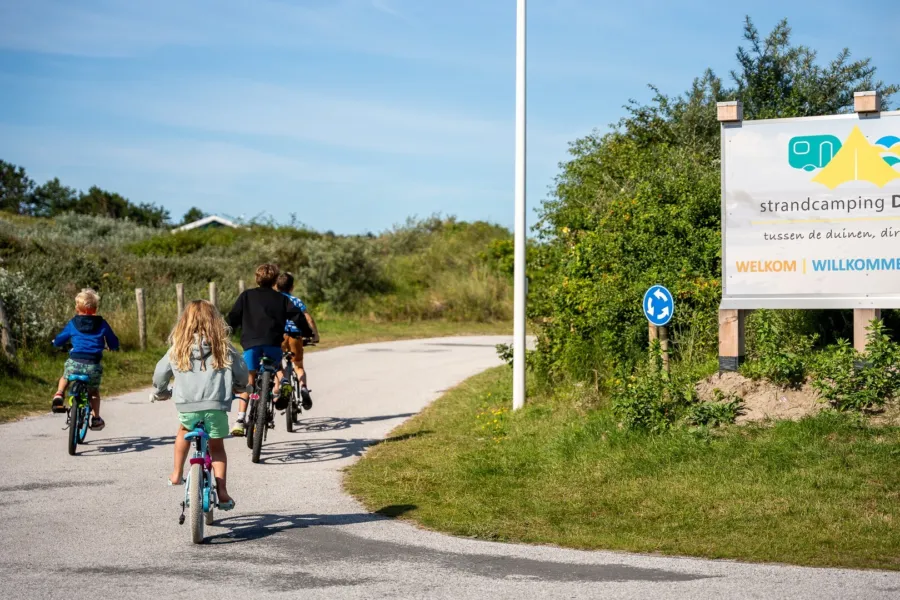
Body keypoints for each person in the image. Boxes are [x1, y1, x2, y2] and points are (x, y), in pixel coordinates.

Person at [151, 299, 248, 510]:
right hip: (216, 407)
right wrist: (240, 387)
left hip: (187, 407)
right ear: (214, 321)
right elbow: (241, 370)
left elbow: (160, 373)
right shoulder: (223, 346)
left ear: (185, 321)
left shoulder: (178, 348)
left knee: (183, 430)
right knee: (217, 448)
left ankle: (176, 474)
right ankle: (222, 492)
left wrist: (161, 392)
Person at [226, 263, 312, 436]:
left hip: (251, 344)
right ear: (274, 280)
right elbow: (297, 316)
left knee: (249, 381)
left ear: (256, 278)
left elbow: (233, 317)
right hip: (273, 343)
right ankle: (285, 383)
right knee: (277, 366)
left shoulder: (246, 296)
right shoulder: (282, 299)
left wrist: (226, 331)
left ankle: (240, 420)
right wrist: (307, 332)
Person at [51, 288, 119, 430]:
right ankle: (96, 419)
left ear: (77, 307)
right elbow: (113, 341)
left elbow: (60, 339)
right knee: (93, 392)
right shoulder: (102, 324)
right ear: (95, 308)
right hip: (93, 365)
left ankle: (59, 394)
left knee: (65, 377)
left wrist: (56, 343)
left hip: (75, 362)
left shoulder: (73, 323)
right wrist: (113, 346)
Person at [275, 271, 319, 411]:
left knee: (277, 365)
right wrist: (315, 335)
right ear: (292, 287)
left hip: (279, 337)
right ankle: (303, 388)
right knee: (298, 366)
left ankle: (281, 385)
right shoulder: (296, 301)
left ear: (276, 286)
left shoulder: (272, 300)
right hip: (295, 336)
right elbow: (308, 319)